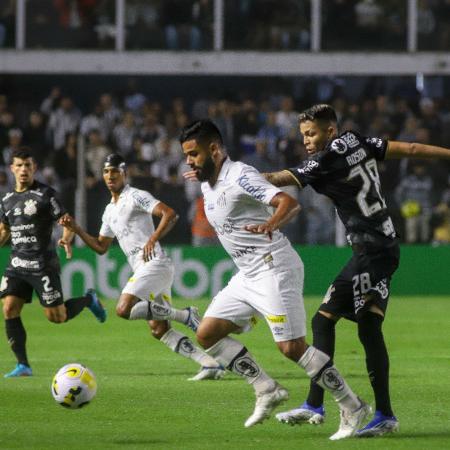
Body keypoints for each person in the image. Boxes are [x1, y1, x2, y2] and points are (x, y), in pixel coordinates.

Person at [263, 104, 450, 437]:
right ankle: (384, 415)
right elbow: (411, 149)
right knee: (368, 327)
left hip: (369, 252)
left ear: (330, 131)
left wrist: (237, 179)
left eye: (311, 133)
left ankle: (316, 405)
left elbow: (280, 179)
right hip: (387, 245)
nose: (306, 140)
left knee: (323, 320)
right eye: (303, 135)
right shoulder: (356, 141)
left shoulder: (323, 161)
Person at [180, 119, 370, 440]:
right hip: (247, 274)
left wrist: (271, 223)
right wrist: (200, 171)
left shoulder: (240, 176)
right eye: (186, 155)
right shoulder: (206, 184)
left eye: (194, 154)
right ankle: (265, 388)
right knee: (207, 333)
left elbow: (288, 202)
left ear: (213, 149)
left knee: (291, 347)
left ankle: (352, 405)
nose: (189, 161)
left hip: (274, 268)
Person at [60, 153, 224, 381]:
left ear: (124, 174)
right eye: (106, 172)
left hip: (155, 263)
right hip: (144, 269)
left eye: (115, 171)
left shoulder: (136, 196)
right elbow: (100, 247)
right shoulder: (109, 211)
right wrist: (76, 228)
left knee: (123, 308)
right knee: (159, 330)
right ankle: (210, 364)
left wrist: (153, 238)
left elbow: (170, 214)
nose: (110, 176)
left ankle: (186, 315)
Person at [1, 147, 106, 378]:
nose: (23, 170)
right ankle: (23, 365)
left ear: (34, 168)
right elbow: (4, 231)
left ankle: (89, 299)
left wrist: (67, 239)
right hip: (16, 264)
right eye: (19, 166)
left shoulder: (46, 195)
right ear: (12, 169)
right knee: (9, 308)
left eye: (27, 165)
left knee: (56, 317)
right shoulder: (7, 200)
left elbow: (67, 222)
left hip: (42, 265)